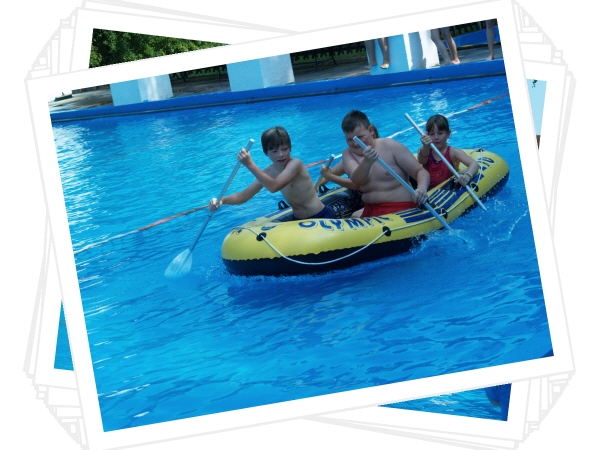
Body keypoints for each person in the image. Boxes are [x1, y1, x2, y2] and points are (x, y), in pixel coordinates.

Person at [209, 126, 334, 221]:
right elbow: (244, 195)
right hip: (298, 220)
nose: (281, 154)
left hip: (320, 216)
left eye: (285, 149)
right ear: (266, 153)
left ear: (290, 148)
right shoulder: (269, 172)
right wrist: (221, 200)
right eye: (274, 151)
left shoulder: (295, 164)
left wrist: (249, 164)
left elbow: (274, 186)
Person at [340, 110, 430, 218]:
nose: (355, 143)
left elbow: (420, 171)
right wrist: (367, 162)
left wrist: (421, 188)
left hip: (401, 208)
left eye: (360, 137)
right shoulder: (348, 154)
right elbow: (357, 180)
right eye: (350, 140)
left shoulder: (390, 146)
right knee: (354, 216)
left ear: (371, 130)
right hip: (371, 209)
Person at [417, 114, 480, 189]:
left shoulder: (453, 152)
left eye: (440, 133)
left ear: (448, 134)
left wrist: (467, 175)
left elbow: (474, 163)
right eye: (432, 134)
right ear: (427, 135)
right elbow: (422, 161)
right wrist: (425, 147)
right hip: (426, 189)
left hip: (446, 189)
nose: (436, 137)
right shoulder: (424, 150)